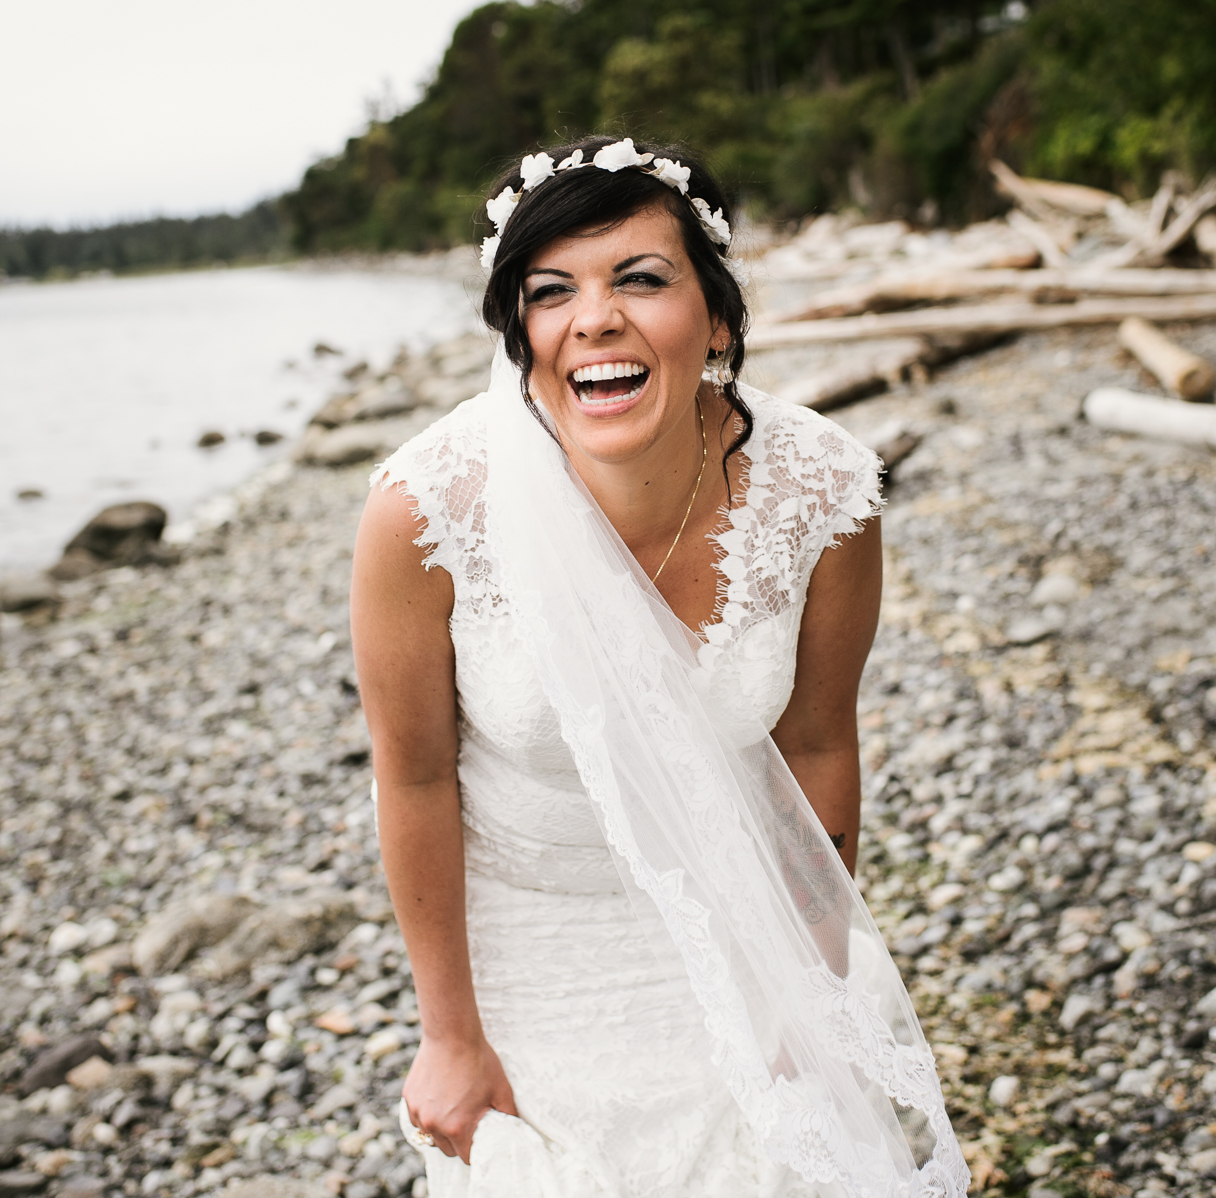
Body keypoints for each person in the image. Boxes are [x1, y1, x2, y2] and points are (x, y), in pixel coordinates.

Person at [349, 136, 964, 1197]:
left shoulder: (820, 496)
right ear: (521, 336)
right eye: (552, 292)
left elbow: (817, 743)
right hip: (531, 950)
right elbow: (412, 777)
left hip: (739, 921)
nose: (595, 318)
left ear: (717, 319)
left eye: (641, 277)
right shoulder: (425, 514)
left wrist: (803, 987)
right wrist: (448, 1034)